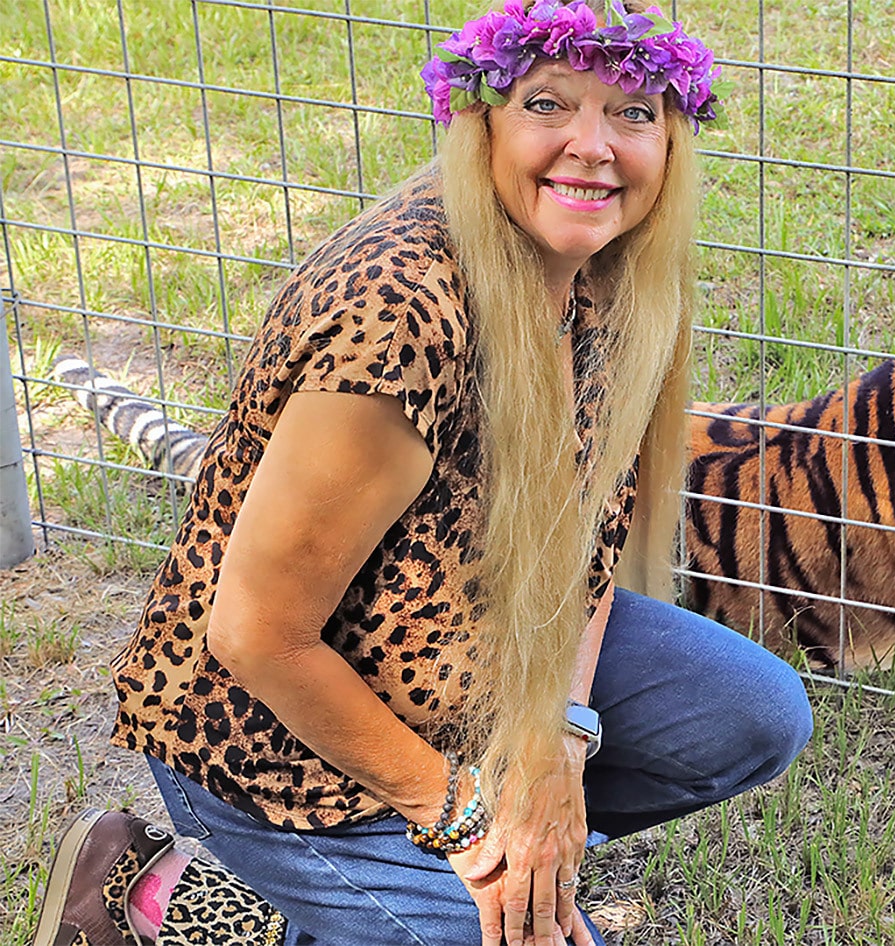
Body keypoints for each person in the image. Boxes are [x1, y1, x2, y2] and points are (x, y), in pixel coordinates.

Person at [31, 3, 813, 944]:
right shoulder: (398, 311)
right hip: (279, 750)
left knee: (753, 713)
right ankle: (174, 898)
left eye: (635, 112)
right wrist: (468, 822)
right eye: (547, 103)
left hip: (471, 668)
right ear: (479, 120)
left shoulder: (615, 263)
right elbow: (255, 633)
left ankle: (425, 891)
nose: (592, 146)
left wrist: (560, 738)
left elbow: (592, 533)